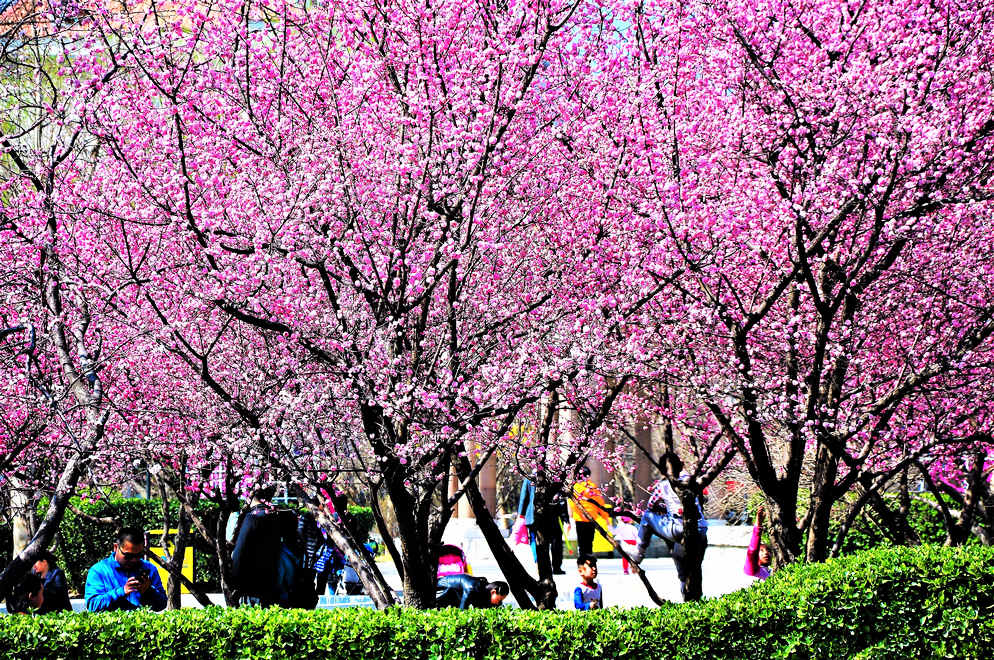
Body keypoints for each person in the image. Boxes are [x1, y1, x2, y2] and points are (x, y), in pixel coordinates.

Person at [629, 476, 709, 602]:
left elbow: (651, 505)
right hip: (701, 530)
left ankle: (638, 554)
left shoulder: (665, 484)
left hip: (680, 529)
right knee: (695, 568)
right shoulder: (694, 481)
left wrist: (662, 508)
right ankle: (697, 601)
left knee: (647, 516)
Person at [84, 527, 167, 612]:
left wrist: (149, 591)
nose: (134, 560)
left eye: (138, 555)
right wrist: (122, 591)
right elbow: (92, 605)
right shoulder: (98, 571)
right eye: (128, 556)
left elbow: (162, 604)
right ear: (116, 547)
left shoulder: (149, 568)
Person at [231, 485, 281, 606]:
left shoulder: (252, 518)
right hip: (271, 581)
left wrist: (234, 582)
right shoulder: (274, 516)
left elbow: (238, 555)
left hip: (252, 586)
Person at [516, 471, 568, 578]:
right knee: (551, 541)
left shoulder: (530, 477)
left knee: (536, 541)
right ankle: (554, 566)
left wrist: (521, 515)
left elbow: (524, 497)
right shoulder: (552, 475)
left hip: (535, 515)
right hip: (549, 515)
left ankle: (539, 562)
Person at [569, 466, 610, 557]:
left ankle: (583, 560)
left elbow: (572, 503)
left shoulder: (575, 486)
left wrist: (572, 515)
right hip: (591, 517)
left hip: (579, 518)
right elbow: (600, 503)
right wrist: (605, 517)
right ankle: (589, 558)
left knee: (581, 541)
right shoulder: (592, 487)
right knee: (589, 540)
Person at [435, 573, 508, 609]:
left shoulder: (485, 593)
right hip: (442, 590)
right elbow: (462, 611)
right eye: (499, 600)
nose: (499, 602)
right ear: (493, 592)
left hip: (453, 595)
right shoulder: (472, 588)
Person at [744, 506, 772, 581]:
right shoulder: (751, 570)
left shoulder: (772, 572)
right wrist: (758, 525)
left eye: (769, 550)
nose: (766, 553)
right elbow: (752, 551)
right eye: (761, 551)